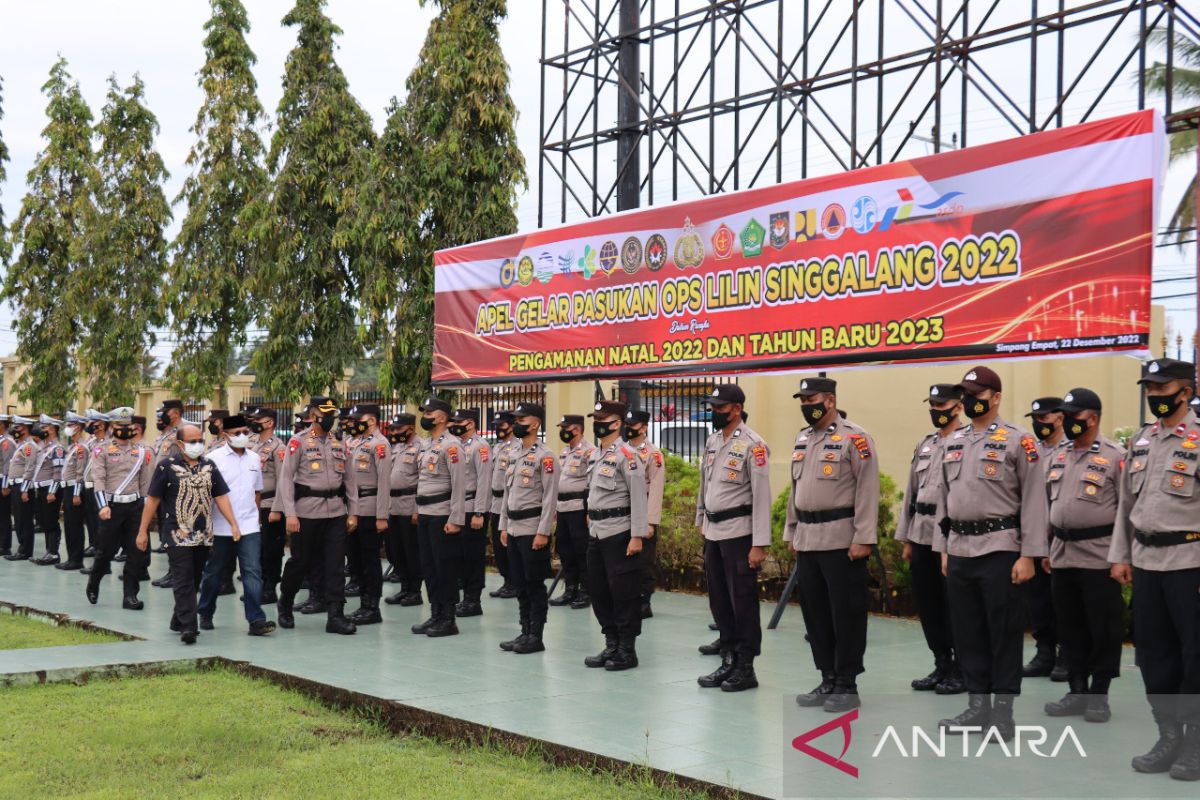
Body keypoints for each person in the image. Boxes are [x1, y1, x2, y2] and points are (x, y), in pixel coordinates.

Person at [934, 366, 1048, 741]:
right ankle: (977, 706)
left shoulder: (1019, 440)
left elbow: (1034, 501)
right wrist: (944, 547)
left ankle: (1003, 714)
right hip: (961, 549)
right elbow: (944, 499)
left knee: (1003, 633)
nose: (968, 400)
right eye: (964, 393)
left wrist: (1029, 554)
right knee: (968, 633)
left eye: (975, 393)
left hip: (1001, 548)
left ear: (995, 397)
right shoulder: (954, 440)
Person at [1110, 358, 1200, 780]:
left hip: (1190, 562)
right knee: (1153, 655)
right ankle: (1168, 736)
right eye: (1149, 388)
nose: (1153, 396)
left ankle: (1195, 742)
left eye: (1162, 389)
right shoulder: (1142, 441)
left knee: (1194, 656)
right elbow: (1126, 506)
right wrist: (1121, 555)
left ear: (1185, 390)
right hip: (1147, 563)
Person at [788, 377, 880, 712]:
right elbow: (795, 491)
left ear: (830, 400)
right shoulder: (803, 438)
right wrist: (792, 532)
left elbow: (868, 490)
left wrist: (864, 537)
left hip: (842, 540)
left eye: (811, 399)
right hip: (809, 539)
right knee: (816, 615)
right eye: (802, 400)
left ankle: (847, 683)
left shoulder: (855, 437)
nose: (806, 405)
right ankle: (827, 677)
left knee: (847, 614)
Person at [1039, 388, 1124, 723]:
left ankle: (1099, 694)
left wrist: (1121, 557)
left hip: (1099, 555)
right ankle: (1076, 689)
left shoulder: (1115, 456)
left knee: (1103, 628)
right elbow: (1048, 503)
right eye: (1066, 416)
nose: (1069, 422)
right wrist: (1046, 547)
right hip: (1062, 553)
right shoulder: (1058, 455)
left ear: (1093, 417)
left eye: (1074, 416)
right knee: (1069, 625)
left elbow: (1125, 510)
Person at [695, 384, 771, 693]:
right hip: (714, 532)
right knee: (720, 600)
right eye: (712, 406)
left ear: (736, 409)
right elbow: (705, 484)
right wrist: (701, 519)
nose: (714, 412)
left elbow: (762, 496)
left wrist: (759, 543)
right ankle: (727, 660)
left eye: (719, 407)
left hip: (740, 533)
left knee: (742, 602)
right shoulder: (713, 442)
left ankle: (745, 666)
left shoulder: (754, 445)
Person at [137, 424, 240, 644]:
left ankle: (178, 618)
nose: (197, 445)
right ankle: (189, 627)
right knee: (183, 578)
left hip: (203, 534)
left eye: (200, 440)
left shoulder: (209, 466)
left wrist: (233, 523)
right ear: (180, 444)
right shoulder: (166, 467)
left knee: (194, 579)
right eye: (192, 441)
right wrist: (142, 531)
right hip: (176, 533)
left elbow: (221, 496)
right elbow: (153, 499)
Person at [896, 384, 966, 695]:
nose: (936, 410)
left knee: (955, 605)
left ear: (958, 407)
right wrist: (907, 538)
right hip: (922, 532)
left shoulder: (967, 442)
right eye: (932, 405)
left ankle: (962, 668)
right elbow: (910, 493)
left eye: (942, 405)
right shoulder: (924, 445)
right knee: (929, 604)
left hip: (950, 537)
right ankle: (941, 663)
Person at [276, 397, 357, 636]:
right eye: (325, 413)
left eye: (333, 413)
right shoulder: (297, 442)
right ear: (313, 415)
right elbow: (286, 481)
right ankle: (285, 603)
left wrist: (354, 513)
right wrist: (290, 514)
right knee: (300, 562)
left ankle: (336, 615)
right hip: (306, 512)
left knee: (335, 565)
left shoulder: (340, 442)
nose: (330, 418)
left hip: (335, 512)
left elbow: (350, 481)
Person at [583, 401, 648, 670]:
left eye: (603, 418)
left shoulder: (627, 455)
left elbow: (638, 498)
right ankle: (611, 644)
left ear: (617, 423)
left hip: (620, 532)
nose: (597, 423)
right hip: (597, 532)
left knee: (624, 593)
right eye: (595, 418)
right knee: (599, 591)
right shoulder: (595, 455)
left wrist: (637, 536)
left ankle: (626, 649)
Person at [196, 415, 274, 636]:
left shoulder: (253, 458)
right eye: (236, 433)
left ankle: (256, 620)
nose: (242, 436)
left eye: (244, 432)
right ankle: (205, 611)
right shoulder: (213, 459)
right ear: (225, 435)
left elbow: (257, 491)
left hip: (249, 525)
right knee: (214, 572)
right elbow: (206, 495)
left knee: (253, 572)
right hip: (220, 527)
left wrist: (256, 517)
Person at [497, 403, 558, 654]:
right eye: (516, 419)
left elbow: (550, 497)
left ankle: (536, 635)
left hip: (533, 528)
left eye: (522, 419)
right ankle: (524, 631)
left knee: (534, 585)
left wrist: (543, 532)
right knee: (519, 584)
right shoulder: (513, 453)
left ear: (535, 424)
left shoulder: (546, 456)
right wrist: (503, 525)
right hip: (512, 527)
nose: (516, 423)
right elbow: (507, 494)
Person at [85, 408, 155, 609]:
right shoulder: (101, 450)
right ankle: (94, 581)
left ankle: (130, 595)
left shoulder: (141, 451)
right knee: (106, 551)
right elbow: (98, 479)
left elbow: (144, 484)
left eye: (127, 426)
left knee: (135, 551)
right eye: (119, 426)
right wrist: (102, 506)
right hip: (112, 507)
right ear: (112, 427)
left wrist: (145, 509)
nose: (124, 429)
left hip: (135, 507)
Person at [412, 397, 466, 638]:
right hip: (424, 513)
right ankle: (435, 612)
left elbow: (459, 485)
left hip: (442, 515)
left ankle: (448, 618)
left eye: (430, 413)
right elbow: (422, 481)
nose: (426, 416)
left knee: (445, 567)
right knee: (428, 566)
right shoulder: (426, 444)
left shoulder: (452, 446)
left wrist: (455, 518)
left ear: (442, 417)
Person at [1024, 396, 1067, 681]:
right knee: (1037, 599)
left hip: (1062, 539)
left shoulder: (1072, 449)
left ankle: (1067, 656)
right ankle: (1044, 652)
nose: (1039, 424)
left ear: (1060, 418)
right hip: (1034, 537)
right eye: (1035, 420)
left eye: (1044, 419)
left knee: (1063, 601)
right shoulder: (1031, 452)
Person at [344, 403, 391, 625]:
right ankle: (363, 604)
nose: (353, 423)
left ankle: (372, 607)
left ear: (371, 420)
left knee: (369, 560)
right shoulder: (354, 442)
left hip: (370, 509)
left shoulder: (380, 444)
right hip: (353, 508)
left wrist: (382, 516)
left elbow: (384, 482)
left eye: (358, 418)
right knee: (356, 560)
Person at [550, 413, 597, 609]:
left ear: (577, 429)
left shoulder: (589, 452)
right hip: (562, 508)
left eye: (565, 428)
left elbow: (592, 483)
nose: (563, 432)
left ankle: (586, 591)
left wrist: (589, 511)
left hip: (579, 507)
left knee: (581, 551)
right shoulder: (564, 452)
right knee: (565, 550)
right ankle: (570, 589)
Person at [622, 410, 664, 619]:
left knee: (645, 560)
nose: (629, 427)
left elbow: (656, 489)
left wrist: (651, 522)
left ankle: (644, 600)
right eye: (627, 423)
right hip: (623, 510)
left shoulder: (653, 454)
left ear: (644, 427)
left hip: (644, 509)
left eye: (633, 424)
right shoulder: (619, 450)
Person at [451, 409, 492, 617]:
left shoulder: (480, 447)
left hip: (472, 508)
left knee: (473, 557)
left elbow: (484, 481)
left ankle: (473, 600)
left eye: (459, 422)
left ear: (470, 423)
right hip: (458, 507)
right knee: (459, 556)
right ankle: (464, 597)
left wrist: (479, 512)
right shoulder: (456, 445)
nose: (455, 425)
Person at [383, 413, 424, 606]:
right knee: (396, 550)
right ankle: (404, 587)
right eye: (393, 429)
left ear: (410, 429)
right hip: (394, 505)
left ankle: (414, 591)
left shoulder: (421, 447)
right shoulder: (397, 447)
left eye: (398, 429)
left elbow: (423, 481)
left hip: (409, 505)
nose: (394, 433)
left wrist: (417, 509)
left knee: (411, 551)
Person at [246, 407, 285, 604]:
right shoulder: (251, 444)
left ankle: (269, 588)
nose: (254, 423)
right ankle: (257, 586)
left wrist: (278, 508)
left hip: (270, 504)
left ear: (269, 423)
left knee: (271, 549)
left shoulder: (279, 448)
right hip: (252, 505)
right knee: (255, 549)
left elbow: (283, 480)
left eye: (258, 420)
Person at [487, 410, 520, 599]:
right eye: (497, 425)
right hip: (496, 502)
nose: (499, 428)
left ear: (512, 425)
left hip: (509, 501)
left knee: (507, 545)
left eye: (502, 425)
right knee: (498, 547)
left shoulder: (518, 447)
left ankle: (515, 583)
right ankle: (507, 581)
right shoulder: (498, 447)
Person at [27, 414, 65, 566]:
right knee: (44, 521)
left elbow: (58, 472)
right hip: (42, 489)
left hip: (51, 489)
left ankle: (54, 553)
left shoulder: (57, 449)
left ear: (53, 429)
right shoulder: (44, 448)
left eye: (45, 427)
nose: (41, 430)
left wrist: (52, 491)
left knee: (51, 521)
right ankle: (49, 551)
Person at [57, 411, 92, 571]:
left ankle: (76, 560)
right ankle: (71, 558)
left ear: (78, 427)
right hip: (67, 489)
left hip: (74, 490)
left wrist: (77, 493)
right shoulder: (72, 446)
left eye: (70, 425)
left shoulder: (81, 448)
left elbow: (80, 473)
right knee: (69, 525)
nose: (68, 428)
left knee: (75, 526)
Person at [79, 409, 110, 571]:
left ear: (102, 425)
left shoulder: (107, 444)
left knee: (100, 526)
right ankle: (96, 553)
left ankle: (103, 563)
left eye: (93, 423)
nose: (89, 426)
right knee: (92, 523)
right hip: (90, 487)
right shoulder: (94, 443)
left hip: (100, 489)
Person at [4, 416, 37, 561]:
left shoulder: (29, 446)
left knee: (24, 520)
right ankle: (22, 548)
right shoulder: (21, 445)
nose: (14, 430)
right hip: (15, 485)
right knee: (18, 519)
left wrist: (24, 489)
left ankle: (25, 551)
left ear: (25, 429)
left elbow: (30, 469)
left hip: (22, 487)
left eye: (17, 428)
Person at [0, 415, 15, 557]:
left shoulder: (7, 442)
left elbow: (7, 464)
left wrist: (5, 485)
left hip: (2, 482)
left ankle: (5, 546)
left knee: (3, 515)